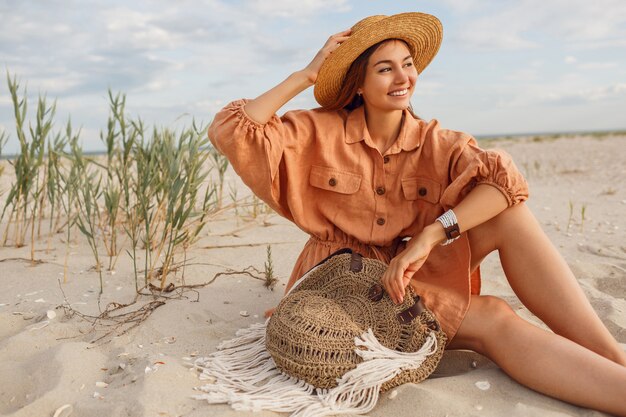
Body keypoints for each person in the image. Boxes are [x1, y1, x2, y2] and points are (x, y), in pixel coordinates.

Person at [208, 12, 626, 416]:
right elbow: (232, 128)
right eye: (385, 69)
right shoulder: (318, 130)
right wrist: (309, 74)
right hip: (344, 284)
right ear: (359, 83)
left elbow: (504, 181)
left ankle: (609, 355)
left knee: (508, 215)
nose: (403, 77)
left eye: (407, 65)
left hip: (407, 270)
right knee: (494, 316)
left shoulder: (434, 140)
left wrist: (431, 235)